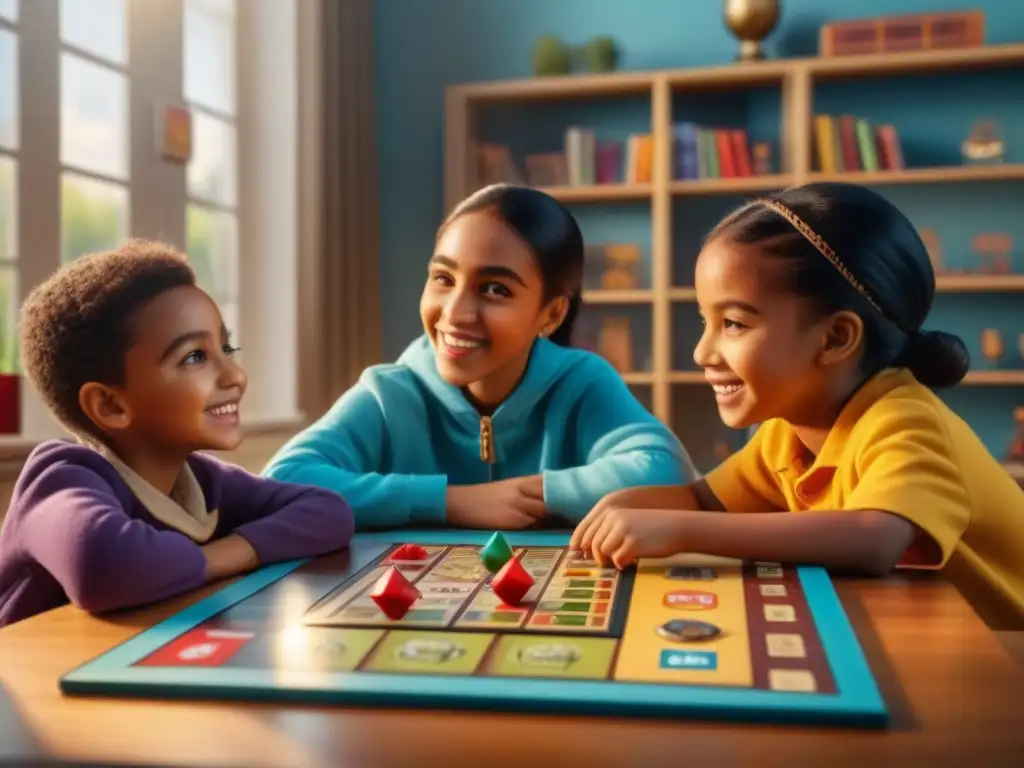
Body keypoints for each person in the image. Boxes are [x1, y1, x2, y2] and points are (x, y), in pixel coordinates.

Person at [570, 183, 1024, 628]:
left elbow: (873, 538)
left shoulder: (905, 420)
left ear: (835, 338)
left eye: (732, 323)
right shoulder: (788, 431)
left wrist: (680, 530)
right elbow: (704, 501)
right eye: (705, 321)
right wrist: (624, 504)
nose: (702, 353)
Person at [264, 184, 694, 530]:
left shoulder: (581, 382)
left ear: (552, 313)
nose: (454, 313)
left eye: (495, 289)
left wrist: (526, 496)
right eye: (443, 278)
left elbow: (667, 472)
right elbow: (283, 480)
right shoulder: (388, 393)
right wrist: (454, 502)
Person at [0, 241, 354, 628]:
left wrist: (227, 551)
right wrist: (218, 558)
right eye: (194, 357)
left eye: (226, 347)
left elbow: (327, 512)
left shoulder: (202, 481)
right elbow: (102, 565)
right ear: (110, 405)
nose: (235, 375)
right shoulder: (58, 478)